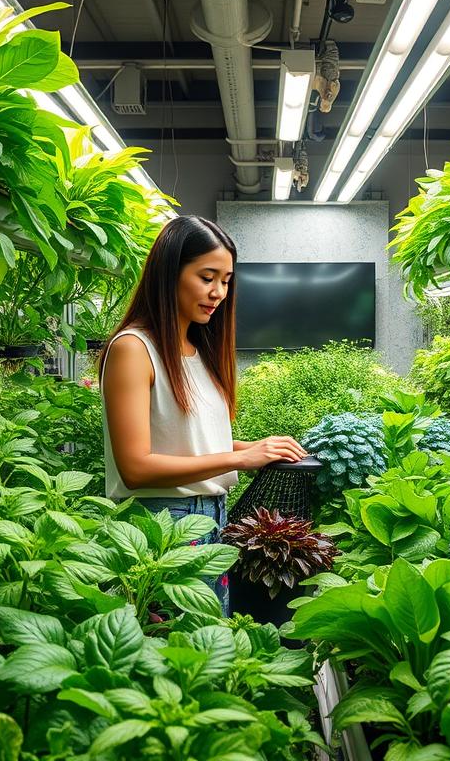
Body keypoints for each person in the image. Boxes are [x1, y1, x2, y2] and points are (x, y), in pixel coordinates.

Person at [99, 215, 308, 615]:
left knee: (206, 650)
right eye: (207, 277)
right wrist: (239, 458)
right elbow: (135, 468)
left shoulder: (198, 350)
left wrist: (256, 449)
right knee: (174, 653)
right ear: (168, 273)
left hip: (211, 516)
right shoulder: (133, 349)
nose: (218, 292)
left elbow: (181, 438)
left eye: (226, 281)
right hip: (162, 525)